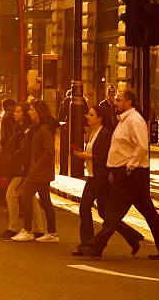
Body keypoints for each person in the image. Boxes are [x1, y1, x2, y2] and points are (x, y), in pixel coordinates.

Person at [78, 90, 159, 259]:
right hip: (126, 171)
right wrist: (113, 169)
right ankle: (132, 238)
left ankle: (95, 247)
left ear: (128, 102)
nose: (115, 102)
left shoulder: (135, 120)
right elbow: (121, 149)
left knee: (112, 212)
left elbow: (142, 146)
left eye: (119, 100)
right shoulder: (124, 120)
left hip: (131, 173)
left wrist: (128, 168)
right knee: (149, 213)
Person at [71, 105, 143, 256]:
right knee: (84, 208)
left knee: (104, 213)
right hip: (91, 176)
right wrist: (84, 154)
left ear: (100, 118)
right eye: (88, 115)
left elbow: (106, 157)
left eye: (91, 115)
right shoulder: (93, 133)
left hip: (102, 178)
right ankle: (86, 243)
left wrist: (88, 157)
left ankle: (132, 236)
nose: (88, 117)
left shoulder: (105, 134)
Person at [12, 99, 60, 242]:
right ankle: (52, 233)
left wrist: (35, 166)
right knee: (45, 201)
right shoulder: (37, 127)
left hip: (39, 171)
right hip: (40, 170)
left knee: (25, 196)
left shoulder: (44, 129)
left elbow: (49, 152)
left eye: (32, 110)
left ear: (39, 111)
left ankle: (27, 230)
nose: (29, 112)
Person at [0, 102, 45, 238]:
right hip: (18, 167)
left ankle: (12, 227)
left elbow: (27, 150)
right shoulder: (17, 128)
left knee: (11, 194)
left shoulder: (28, 130)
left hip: (23, 169)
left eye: (18, 112)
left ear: (24, 115)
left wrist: (23, 166)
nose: (14, 113)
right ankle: (38, 229)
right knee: (30, 198)